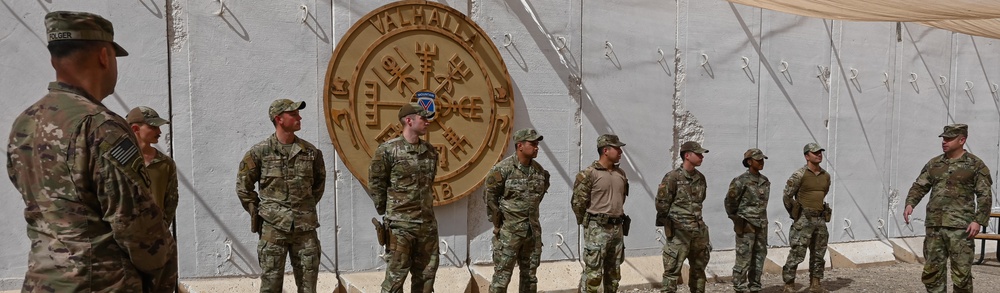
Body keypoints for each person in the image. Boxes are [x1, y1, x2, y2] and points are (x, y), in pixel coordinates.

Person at [6, 11, 176, 292]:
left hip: (42, 281)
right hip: (100, 283)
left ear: (53, 60)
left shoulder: (26, 122)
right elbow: (137, 227)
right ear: (103, 57)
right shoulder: (100, 126)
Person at [237, 99, 326, 293]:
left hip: (305, 229)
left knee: (308, 287)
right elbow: (244, 187)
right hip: (273, 228)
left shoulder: (311, 152)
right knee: (271, 286)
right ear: (279, 119)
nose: (299, 117)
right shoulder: (259, 152)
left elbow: (318, 185)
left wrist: (304, 208)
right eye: (293, 114)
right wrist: (260, 213)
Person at [903, 124, 993, 293]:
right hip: (935, 226)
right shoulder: (935, 163)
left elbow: (984, 195)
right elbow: (920, 186)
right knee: (932, 272)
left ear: (962, 140)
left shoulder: (975, 165)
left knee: (962, 274)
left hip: (961, 227)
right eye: (943, 138)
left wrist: (978, 220)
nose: (944, 142)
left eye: (949, 139)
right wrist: (910, 203)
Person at [368, 103, 440, 293]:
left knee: (426, 279)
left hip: (427, 225)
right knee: (395, 279)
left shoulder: (430, 152)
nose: (427, 122)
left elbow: (428, 183)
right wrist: (389, 212)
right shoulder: (388, 151)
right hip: (400, 227)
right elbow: (377, 183)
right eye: (423, 118)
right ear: (409, 121)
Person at [485, 128, 550, 293]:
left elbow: (538, 198)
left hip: (532, 234)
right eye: (532, 143)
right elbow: (490, 198)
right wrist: (499, 225)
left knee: (530, 279)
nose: (536, 147)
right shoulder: (502, 169)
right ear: (520, 145)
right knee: (501, 279)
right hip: (509, 234)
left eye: (537, 144)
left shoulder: (539, 171)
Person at [572, 134, 629, 293]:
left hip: (617, 229)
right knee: (593, 274)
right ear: (605, 150)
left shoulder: (621, 174)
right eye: (617, 148)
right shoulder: (589, 174)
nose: (620, 152)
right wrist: (589, 223)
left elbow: (621, 198)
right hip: (597, 228)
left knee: (614, 274)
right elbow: (578, 203)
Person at [657, 141, 711, 293]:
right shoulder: (672, 177)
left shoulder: (701, 178)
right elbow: (661, 204)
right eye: (698, 154)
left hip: (698, 233)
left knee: (699, 271)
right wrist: (675, 222)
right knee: (672, 272)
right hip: (679, 234)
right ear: (687, 155)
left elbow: (700, 201)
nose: (702, 157)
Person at [781, 143, 831, 293]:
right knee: (797, 253)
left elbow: (823, 193)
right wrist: (796, 215)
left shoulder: (826, 176)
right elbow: (787, 196)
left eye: (820, 152)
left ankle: (815, 284)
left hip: (820, 220)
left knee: (819, 254)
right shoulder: (799, 175)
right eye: (815, 153)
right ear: (807, 156)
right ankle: (789, 284)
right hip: (804, 219)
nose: (819, 155)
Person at [725, 148, 770, 293]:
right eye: (758, 160)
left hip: (761, 225)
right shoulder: (740, 181)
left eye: (762, 159)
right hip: (746, 225)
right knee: (743, 258)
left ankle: (755, 287)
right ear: (749, 162)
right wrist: (737, 219)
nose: (761, 162)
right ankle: (739, 288)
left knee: (759, 256)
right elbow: (730, 202)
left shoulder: (764, 181)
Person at [127, 106, 178, 225]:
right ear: (135, 128)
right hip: (122, 237)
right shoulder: (118, 160)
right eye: (153, 127)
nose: (159, 132)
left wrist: (163, 228)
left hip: (155, 235)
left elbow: (171, 201)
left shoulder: (165, 163)